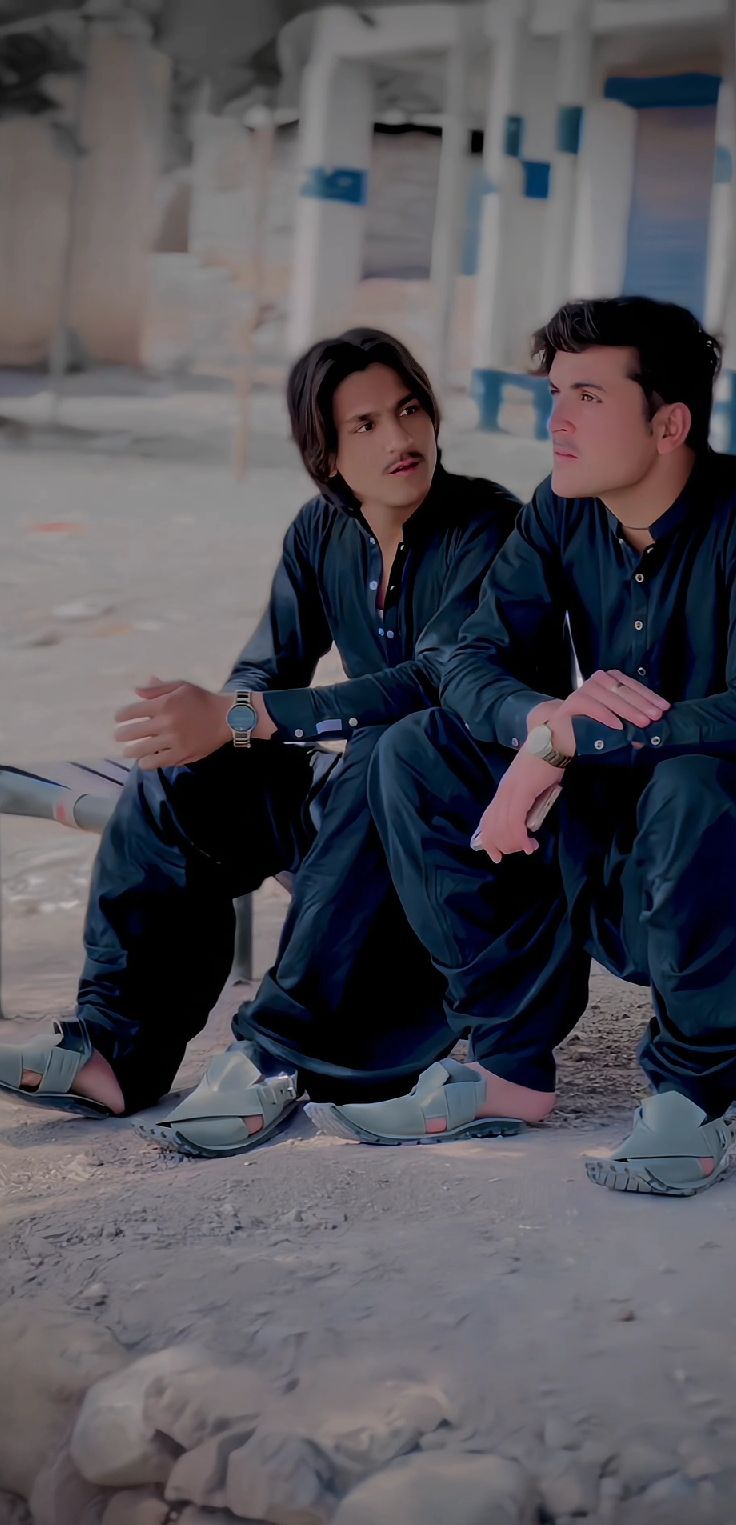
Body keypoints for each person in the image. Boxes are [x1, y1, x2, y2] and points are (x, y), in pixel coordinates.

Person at [0, 327, 520, 1157]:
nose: (400, 437)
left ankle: (276, 1055)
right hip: (359, 812)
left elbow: (436, 681)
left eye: (409, 409)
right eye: (365, 424)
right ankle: (113, 1048)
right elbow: (265, 668)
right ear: (326, 455)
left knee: (388, 748)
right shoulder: (321, 531)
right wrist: (207, 722)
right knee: (177, 776)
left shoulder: (489, 526)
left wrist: (245, 715)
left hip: (471, 825)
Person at [310, 296, 736, 1199]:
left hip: (714, 846)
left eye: (588, 396)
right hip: (608, 828)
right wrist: (546, 725)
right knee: (415, 750)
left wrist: (583, 737)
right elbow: (471, 658)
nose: (558, 421)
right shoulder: (559, 511)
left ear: (669, 424)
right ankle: (507, 1064)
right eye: (555, 395)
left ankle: (698, 1094)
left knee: (693, 785)